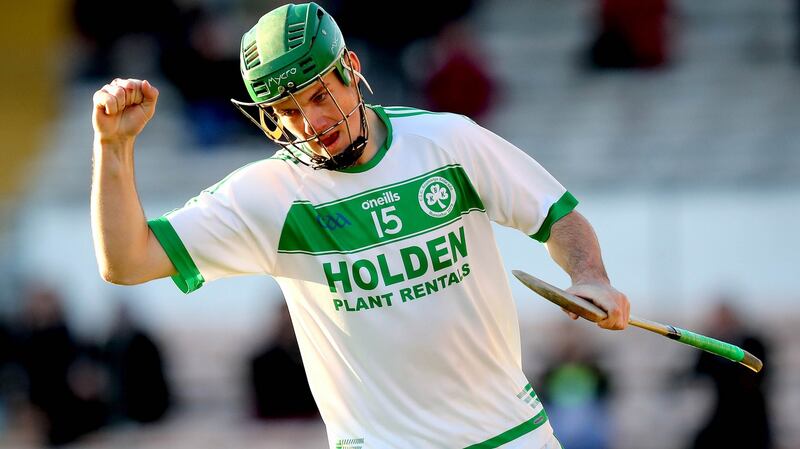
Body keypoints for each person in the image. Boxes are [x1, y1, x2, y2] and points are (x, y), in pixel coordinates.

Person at [90, 3, 630, 448]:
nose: (313, 123)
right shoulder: (267, 196)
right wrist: (113, 148)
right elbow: (126, 261)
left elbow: (559, 218)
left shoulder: (448, 141)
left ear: (350, 68)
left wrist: (591, 277)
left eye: (320, 96)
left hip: (513, 437)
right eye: (290, 111)